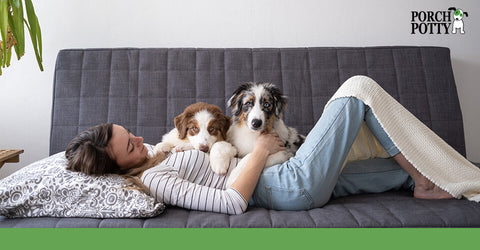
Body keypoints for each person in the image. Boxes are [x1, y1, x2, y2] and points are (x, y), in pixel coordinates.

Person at [65, 78, 453, 215]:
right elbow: (233, 202)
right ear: (119, 167)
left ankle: (433, 178)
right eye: (129, 146)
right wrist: (263, 149)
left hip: (286, 177)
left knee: (407, 173)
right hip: (279, 182)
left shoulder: (159, 151)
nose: (138, 138)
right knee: (356, 92)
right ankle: (423, 178)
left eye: (128, 132)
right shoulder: (157, 179)